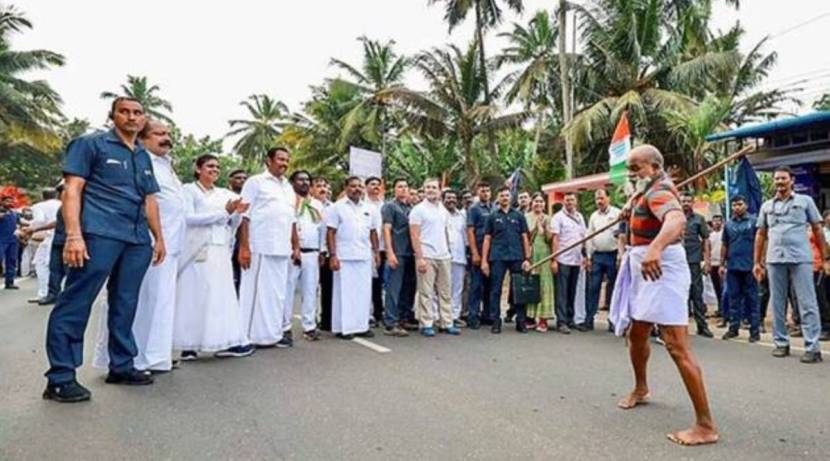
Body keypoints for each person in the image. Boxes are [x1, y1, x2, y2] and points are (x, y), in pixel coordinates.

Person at [43, 97, 165, 402]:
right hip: (99, 233)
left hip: (136, 238)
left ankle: (122, 365)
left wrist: (158, 238)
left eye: (137, 113)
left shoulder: (142, 154)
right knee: (76, 301)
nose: (132, 117)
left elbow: (150, 200)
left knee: (126, 302)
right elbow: (73, 190)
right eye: (124, 112)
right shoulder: (90, 145)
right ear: (113, 116)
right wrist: (74, 236)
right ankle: (60, 376)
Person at [612, 144, 718, 446]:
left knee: (676, 346)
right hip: (643, 266)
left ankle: (705, 425)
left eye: (637, 168)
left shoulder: (660, 192)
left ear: (655, 168)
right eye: (630, 168)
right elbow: (647, 209)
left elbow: (676, 220)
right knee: (636, 334)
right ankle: (641, 388)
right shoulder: (648, 189)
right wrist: (630, 209)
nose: (632, 174)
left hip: (661, 268)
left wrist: (655, 248)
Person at [175, 154, 253, 360]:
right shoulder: (188, 191)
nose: (214, 170)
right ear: (198, 168)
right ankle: (188, 344)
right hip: (197, 250)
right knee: (193, 296)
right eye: (209, 166)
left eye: (217, 167)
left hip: (220, 248)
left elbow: (232, 223)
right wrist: (223, 213)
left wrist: (236, 213)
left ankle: (223, 341)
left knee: (221, 297)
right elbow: (187, 218)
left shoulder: (224, 193)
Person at [131, 120, 189, 371]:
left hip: (171, 244)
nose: (166, 138)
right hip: (151, 243)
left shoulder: (166, 166)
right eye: (159, 134)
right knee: (146, 301)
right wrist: (157, 238)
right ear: (143, 138)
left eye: (168, 133)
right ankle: (136, 358)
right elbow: (145, 203)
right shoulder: (141, 161)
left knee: (162, 302)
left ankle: (156, 356)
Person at [754, 165, 828, 363]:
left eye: (783, 178)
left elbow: (818, 229)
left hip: (801, 259)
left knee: (807, 303)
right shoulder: (767, 206)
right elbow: (760, 234)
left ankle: (812, 347)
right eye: (777, 179)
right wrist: (757, 262)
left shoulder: (805, 201)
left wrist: (826, 258)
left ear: (792, 180)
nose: (779, 182)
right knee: (778, 303)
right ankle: (781, 343)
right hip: (775, 259)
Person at [238, 147, 300, 348]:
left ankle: (270, 335)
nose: (284, 163)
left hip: (282, 249)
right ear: (269, 160)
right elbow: (244, 217)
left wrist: (294, 246)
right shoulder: (255, 182)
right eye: (280, 159)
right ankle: (246, 336)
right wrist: (244, 247)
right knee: (254, 293)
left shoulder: (288, 188)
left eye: (286, 160)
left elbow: (291, 220)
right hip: (261, 246)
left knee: (275, 294)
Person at [326, 176, 381, 340]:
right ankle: (344, 328)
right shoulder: (337, 207)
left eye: (359, 186)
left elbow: (373, 232)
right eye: (353, 186)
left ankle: (361, 326)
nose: (356, 189)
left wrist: (376, 252)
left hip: (364, 255)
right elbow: (331, 232)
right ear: (346, 188)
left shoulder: (370, 208)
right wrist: (333, 255)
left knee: (363, 293)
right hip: (344, 256)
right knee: (345, 294)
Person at [410, 178, 459, 337]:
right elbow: (414, 235)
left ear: (439, 190)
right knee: (426, 292)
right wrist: (420, 258)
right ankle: (426, 323)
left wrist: (449, 252)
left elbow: (445, 232)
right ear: (423, 190)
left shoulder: (442, 210)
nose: (431, 190)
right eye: (428, 187)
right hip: (427, 255)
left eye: (434, 187)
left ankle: (446, 322)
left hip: (443, 256)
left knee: (445, 291)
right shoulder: (418, 210)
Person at [480, 186, 532, 334]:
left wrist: (527, 258)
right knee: (495, 290)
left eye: (507, 195)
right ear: (498, 198)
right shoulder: (492, 216)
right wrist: (484, 261)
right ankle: (496, 320)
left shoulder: (519, 216)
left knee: (519, 290)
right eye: (502, 195)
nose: (504, 198)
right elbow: (487, 239)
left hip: (517, 256)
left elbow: (524, 237)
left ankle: (521, 321)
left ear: (511, 198)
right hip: (497, 257)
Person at [284, 170, 325, 342]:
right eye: (300, 180)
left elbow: (321, 228)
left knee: (310, 290)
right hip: (292, 253)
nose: (304, 183)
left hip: (312, 252)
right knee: (288, 290)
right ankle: (284, 327)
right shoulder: (287, 201)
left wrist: (322, 250)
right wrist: (293, 248)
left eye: (307, 180)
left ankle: (309, 326)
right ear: (292, 182)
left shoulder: (316, 204)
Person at [719, 196, 760, 342]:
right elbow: (725, 244)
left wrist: (760, 263)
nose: (737, 207)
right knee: (733, 299)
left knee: (752, 299)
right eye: (734, 205)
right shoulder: (728, 224)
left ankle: (755, 332)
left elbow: (761, 241)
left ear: (746, 205)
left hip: (750, 266)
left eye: (740, 204)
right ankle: (733, 329)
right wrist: (722, 264)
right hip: (733, 267)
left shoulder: (754, 222)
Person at [382, 179, 417, 336]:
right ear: (394, 189)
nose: (403, 189)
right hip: (398, 252)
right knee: (393, 288)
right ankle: (390, 322)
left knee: (408, 288)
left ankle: (404, 317)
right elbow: (386, 230)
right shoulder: (390, 206)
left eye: (405, 186)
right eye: (400, 187)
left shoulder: (412, 208)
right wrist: (390, 252)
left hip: (411, 253)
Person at [549, 192, 587, 333]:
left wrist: (585, 256)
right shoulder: (558, 218)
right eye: (567, 200)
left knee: (572, 291)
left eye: (572, 200)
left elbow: (583, 238)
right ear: (563, 202)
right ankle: (561, 321)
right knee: (562, 292)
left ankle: (570, 319)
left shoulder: (580, 217)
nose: (569, 202)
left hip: (576, 260)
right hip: (563, 259)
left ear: (576, 201)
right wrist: (554, 260)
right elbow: (555, 239)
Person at [585, 189, 621, 331]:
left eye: (602, 198)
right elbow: (589, 236)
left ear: (608, 198)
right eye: (597, 199)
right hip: (597, 256)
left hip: (613, 255)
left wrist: (620, 256)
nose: (599, 201)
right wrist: (588, 257)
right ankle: (589, 319)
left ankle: (612, 320)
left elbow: (621, 235)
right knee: (593, 287)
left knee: (612, 288)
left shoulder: (617, 213)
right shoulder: (594, 216)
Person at [680, 193, 714, 338]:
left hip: (694, 261)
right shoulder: (674, 217)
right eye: (683, 201)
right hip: (677, 262)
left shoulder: (699, 219)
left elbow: (706, 239)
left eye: (688, 201)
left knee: (697, 293)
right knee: (681, 295)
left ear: (692, 202)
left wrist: (707, 261)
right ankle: (680, 327)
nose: (686, 203)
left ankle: (702, 326)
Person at [25, 189, 61, 301]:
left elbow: (39, 220)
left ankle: (45, 293)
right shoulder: (62, 204)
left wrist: (31, 228)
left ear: (42, 196)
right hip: (62, 235)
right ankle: (54, 292)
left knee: (41, 263)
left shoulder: (39, 206)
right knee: (56, 266)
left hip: (49, 236)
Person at [525, 193, 554, 332]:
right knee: (532, 284)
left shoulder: (548, 218)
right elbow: (525, 237)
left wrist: (545, 228)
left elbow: (550, 239)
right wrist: (536, 227)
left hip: (545, 255)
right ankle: (530, 318)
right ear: (532, 202)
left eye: (541, 202)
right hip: (531, 254)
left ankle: (543, 320)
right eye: (536, 201)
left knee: (544, 285)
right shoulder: (526, 217)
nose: (538, 204)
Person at [466, 182, 493, 329]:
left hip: (492, 254)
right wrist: (475, 253)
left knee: (490, 286)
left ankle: (487, 314)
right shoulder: (474, 209)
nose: (486, 193)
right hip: (478, 251)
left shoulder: (494, 208)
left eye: (488, 191)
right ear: (478, 192)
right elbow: (470, 231)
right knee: (476, 286)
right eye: (483, 191)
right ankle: (473, 316)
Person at [313, 177, 335, 332]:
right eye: (318, 186)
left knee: (328, 288)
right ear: (312, 189)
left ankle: (327, 320)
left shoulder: (333, 207)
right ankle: (311, 322)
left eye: (324, 186)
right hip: (311, 252)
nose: (322, 189)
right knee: (311, 289)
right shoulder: (306, 205)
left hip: (328, 254)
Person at [444, 189, 467, 327]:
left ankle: (454, 316)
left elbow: (465, 237)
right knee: (440, 288)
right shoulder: (440, 214)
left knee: (457, 289)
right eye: (448, 198)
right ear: (443, 199)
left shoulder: (462, 216)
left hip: (459, 256)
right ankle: (438, 316)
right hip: (442, 256)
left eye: (453, 197)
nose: (451, 200)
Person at [365, 176, 386, 327]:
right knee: (369, 283)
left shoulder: (385, 206)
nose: (376, 187)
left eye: (378, 185)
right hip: (368, 249)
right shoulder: (363, 204)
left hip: (384, 249)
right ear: (366, 187)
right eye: (372, 184)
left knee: (380, 283)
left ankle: (379, 312)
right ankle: (369, 313)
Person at [228, 168, 248, 294]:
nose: (242, 181)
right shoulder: (225, 196)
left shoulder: (250, 198)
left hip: (245, 242)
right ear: (230, 181)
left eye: (244, 178)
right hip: (229, 241)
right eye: (238, 178)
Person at [0, 195, 20, 290]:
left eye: (11, 201)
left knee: (12, 261)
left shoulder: (14, 213)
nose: (10, 203)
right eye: (7, 201)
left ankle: (9, 282)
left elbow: (19, 224)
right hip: (1, 240)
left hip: (13, 240)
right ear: (2, 202)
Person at [709, 215, 725, 325]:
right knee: (717, 289)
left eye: (718, 221)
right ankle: (720, 309)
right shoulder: (710, 236)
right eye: (714, 221)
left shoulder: (724, 234)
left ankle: (725, 311)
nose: (716, 223)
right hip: (713, 264)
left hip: (722, 264)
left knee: (724, 289)